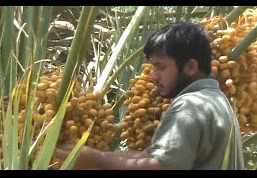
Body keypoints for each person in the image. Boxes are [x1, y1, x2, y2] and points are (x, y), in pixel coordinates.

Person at [56, 22, 245, 170]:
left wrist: (94, 159)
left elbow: (159, 166)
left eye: (161, 67)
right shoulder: (216, 100)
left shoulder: (190, 106)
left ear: (190, 67)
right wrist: (90, 154)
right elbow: (148, 157)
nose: (153, 76)